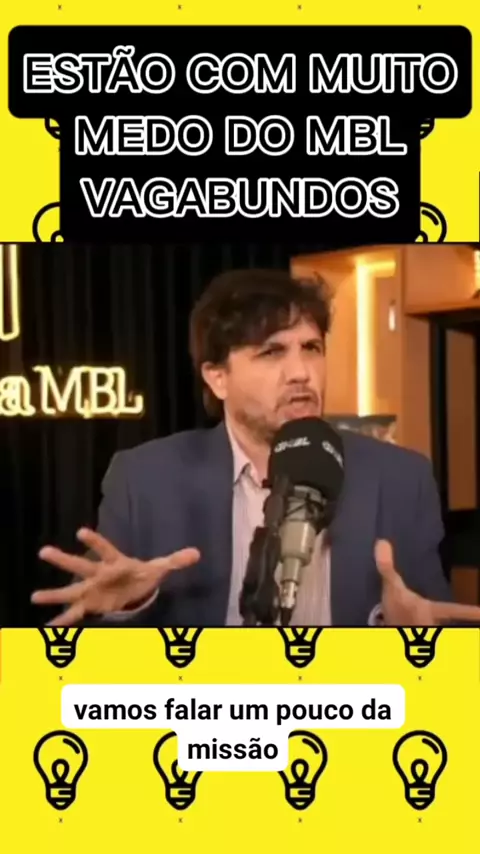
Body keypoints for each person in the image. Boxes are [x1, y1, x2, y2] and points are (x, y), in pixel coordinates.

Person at [31, 268, 480, 628]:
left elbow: (436, 623)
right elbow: (88, 625)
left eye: (312, 348)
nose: (301, 372)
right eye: (272, 352)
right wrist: (129, 606)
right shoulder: (145, 479)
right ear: (217, 378)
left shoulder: (401, 477)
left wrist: (405, 634)